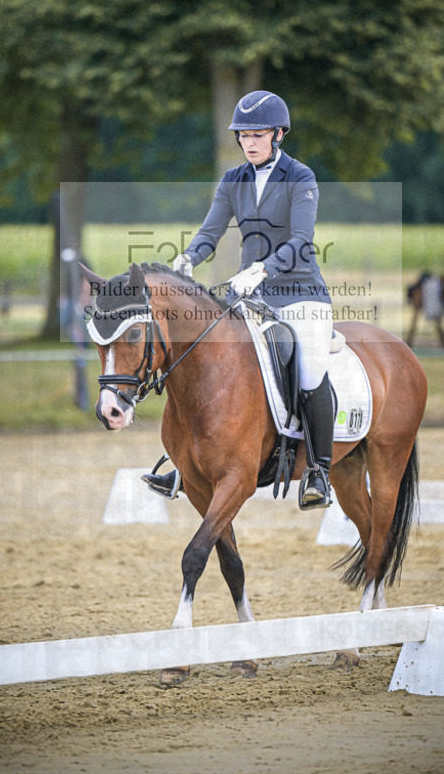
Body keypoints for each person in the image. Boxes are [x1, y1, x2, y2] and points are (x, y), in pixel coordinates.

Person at [143, 90, 335, 510]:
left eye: (258, 134)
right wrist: (188, 258)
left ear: (279, 134)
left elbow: (302, 240)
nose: (249, 142)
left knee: (311, 368)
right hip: (250, 292)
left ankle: (319, 470)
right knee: (213, 357)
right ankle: (189, 461)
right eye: (243, 135)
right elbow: (211, 231)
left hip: (301, 293)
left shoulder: (300, 177)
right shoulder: (233, 180)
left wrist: (263, 269)